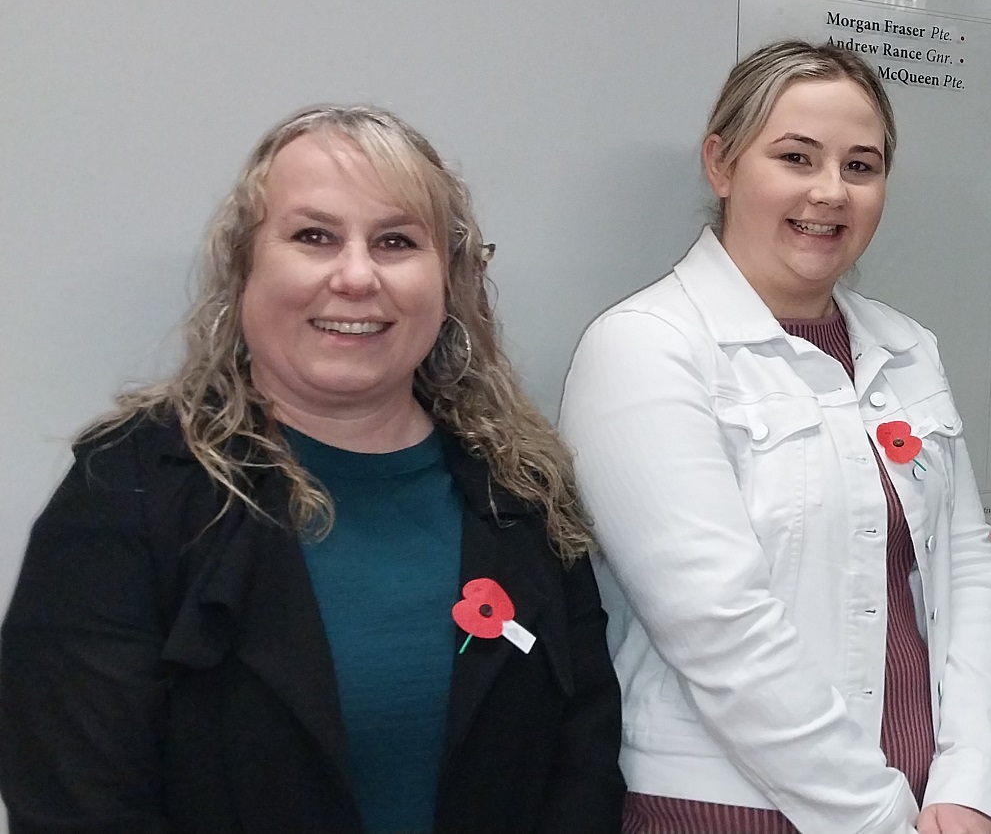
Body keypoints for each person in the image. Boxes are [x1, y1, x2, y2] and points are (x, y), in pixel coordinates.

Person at [0, 105, 625, 834]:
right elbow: (75, 802)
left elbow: (581, 769)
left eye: (395, 240)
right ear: (245, 267)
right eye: (313, 236)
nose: (356, 275)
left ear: (448, 280)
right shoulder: (127, 488)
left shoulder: (522, 494)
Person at [559, 40, 991, 834]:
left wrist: (975, 780)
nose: (829, 191)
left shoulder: (907, 348)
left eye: (861, 166)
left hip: (928, 803)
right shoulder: (644, 345)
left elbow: (968, 568)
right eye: (796, 156)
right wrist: (874, 818)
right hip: (726, 807)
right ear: (722, 164)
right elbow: (718, 623)